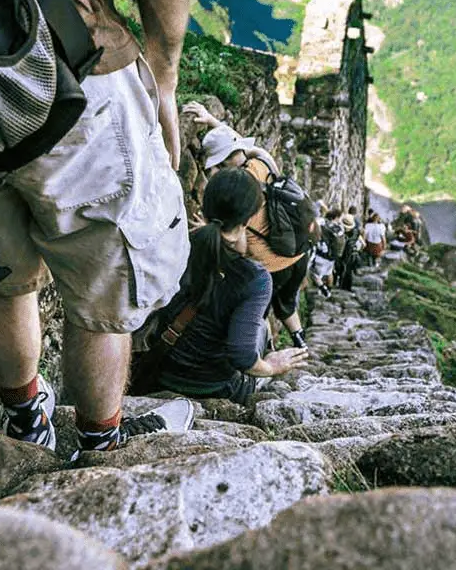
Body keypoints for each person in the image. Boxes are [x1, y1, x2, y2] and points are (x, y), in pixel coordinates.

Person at [0, 0, 196, 453]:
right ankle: (98, 442)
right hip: (68, 65)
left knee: (2, 268)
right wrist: (162, 71)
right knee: (105, 284)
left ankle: (26, 422)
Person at [145, 168, 309, 404]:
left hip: (158, 369)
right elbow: (243, 358)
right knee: (260, 330)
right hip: (212, 387)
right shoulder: (256, 279)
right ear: (248, 220)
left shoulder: (179, 243)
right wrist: (273, 366)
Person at [184, 101, 311, 349]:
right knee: (286, 304)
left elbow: (240, 245)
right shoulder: (263, 161)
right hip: (297, 254)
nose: (216, 171)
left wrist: (208, 230)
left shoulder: (238, 193)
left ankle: (261, 352)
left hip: (271, 264)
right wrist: (213, 122)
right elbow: (238, 145)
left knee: (253, 312)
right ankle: (301, 343)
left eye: (219, 165)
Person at [311, 209, 343, 297]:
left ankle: (323, 290)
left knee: (315, 274)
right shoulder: (339, 228)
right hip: (333, 256)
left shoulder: (322, 223)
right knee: (329, 273)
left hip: (321, 254)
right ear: (336, 217)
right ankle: (329, 290)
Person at [336, 211, 360, 290]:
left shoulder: (346, 234)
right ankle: (346, 286)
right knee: (348, 271)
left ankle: (342, 286)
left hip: (347, 253)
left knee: (345, 269)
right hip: (353, 253)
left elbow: (347, 245)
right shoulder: (356, 231)